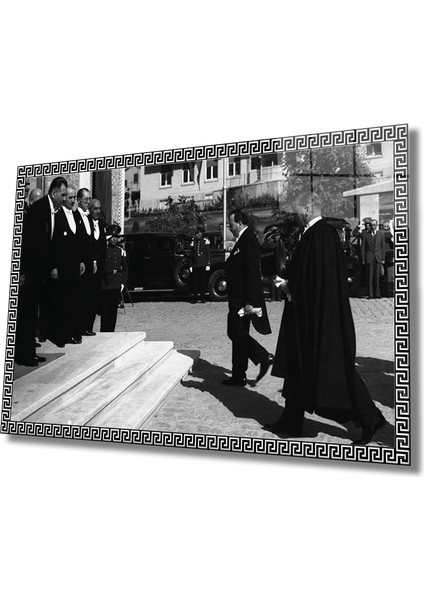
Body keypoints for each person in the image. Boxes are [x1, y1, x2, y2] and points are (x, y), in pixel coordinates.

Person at [264, 191, 386, 445]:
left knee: (336, 371)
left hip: (320, 318)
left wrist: (288, 286)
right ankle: (291, 421)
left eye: (297, 210)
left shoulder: (319, 235)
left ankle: (370, 418)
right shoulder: (315, 234)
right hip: (309, 314)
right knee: (298, 368)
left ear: (308, 209)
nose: (295, 215)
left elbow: (315, 280)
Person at [222, 209, 273, 387]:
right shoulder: (242, 240)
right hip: (238, 297)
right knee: (238, 333)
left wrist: (250, 302)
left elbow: (252, 273)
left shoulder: (248, 240)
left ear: (240, 223)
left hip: (243, 299)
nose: (229, 227)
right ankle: (239, 375)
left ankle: (263, 356)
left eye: (231, 224)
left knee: (236, 332)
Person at [27, 177, 68, 346]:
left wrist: (53, 266)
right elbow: (32, 242)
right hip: (34, 268)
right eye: (62, 195)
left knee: (49, 303)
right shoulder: (39, 209)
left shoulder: (55, 211)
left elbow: (53, 243)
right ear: (53, 192)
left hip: (45, 269)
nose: (64, 198)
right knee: (30, 309)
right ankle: (28, 347)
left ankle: (46, 336)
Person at [48, 186, 85, 346]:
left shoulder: (76, 216)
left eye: (74, 197)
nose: (72, 200)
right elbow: (53, 244)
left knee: (74, 300)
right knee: (61, 302)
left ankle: (73, 333)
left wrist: (81, 261)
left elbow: (80, 241)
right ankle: (61, 336)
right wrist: (53, 266)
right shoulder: (57, 216)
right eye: (70, 197)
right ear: (64, 198)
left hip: (75, 266)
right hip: (62, 266)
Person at [100, 224, 128, 332]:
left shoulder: (120, 251)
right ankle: (104, 331)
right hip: (106, 284)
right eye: (112, 237)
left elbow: (125, 268)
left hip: (116, 284)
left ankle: (111, 331)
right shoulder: (104, 250)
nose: (114, 239)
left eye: (116, 237)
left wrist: (122, 282)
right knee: (105, 311)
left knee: (113, 311)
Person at [85, 198, 107, 334]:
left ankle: (90, 327)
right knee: (87, 297)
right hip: (88, 266)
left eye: (99, 208)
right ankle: (84, 326)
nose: (98, 211)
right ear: (90, 209)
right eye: (95, 208)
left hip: (100, 267)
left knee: (95, 298)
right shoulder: (85, 222)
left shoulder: (102, 223)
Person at [361, 218, 386, 299]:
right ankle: (370, 294)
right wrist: (363, 259)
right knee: (370, 277)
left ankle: (377, 293)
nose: (372, 226)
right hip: (369, 258)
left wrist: (383, 258)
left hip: (378, 258)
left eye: (374, 225)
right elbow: (363, 248)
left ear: (377, 225)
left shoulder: (381, 234)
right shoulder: (366, 235)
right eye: (371, 225)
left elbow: (383, 247)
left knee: (377, 277)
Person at [189, 225, 211, 303]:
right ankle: (195, 297)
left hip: (202, 263)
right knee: (195, 282)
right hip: (195, 264)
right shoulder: (193, 242)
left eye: (198, 233)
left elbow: (208, 253)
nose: (197, 235)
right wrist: (191, 265)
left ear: (201, 234)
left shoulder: (205, 241)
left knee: (203, 282)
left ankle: (202, 297)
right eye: (196, 233)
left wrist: (208, 264)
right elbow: (191, 255)